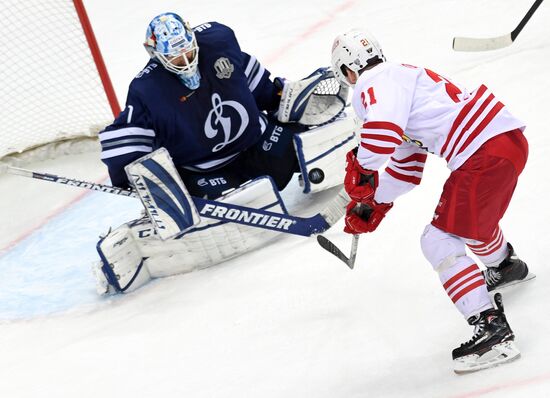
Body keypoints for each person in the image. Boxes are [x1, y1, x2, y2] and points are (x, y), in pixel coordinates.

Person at [331, 28, 532, 372]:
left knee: (438, 239)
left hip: (482, 152)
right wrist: (374, 201)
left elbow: (380, 136)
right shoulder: (403, 81)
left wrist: (361, 169)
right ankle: (505, 266)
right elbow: (406, 169)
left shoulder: (373, 82)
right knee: (469, 222)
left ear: (348, 70)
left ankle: (493, 331)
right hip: (506, 143)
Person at [99, 12, 310, 199]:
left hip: (257, 143)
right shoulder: (147, 89)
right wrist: (129, 180)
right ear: (154, 54)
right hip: (206, 171)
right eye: (176, 59)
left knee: (304, 143)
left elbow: (246, 76)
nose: (186, 61)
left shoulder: (218, 42)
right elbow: (124, 142)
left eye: (188, 52)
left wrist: (276, 97)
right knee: (227, 204)